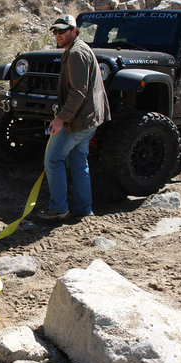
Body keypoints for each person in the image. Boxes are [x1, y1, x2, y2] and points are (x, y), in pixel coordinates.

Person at [39, 14, 110, 221]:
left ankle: (59, 208)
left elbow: (78, 92)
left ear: (74, 30)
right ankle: (83, 209)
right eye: (55, 31)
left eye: (62, 30)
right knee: (78, 161)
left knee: (53, 159)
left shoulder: (77, 53)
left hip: (78, 121)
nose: (58, 35)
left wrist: (61, 118)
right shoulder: (78, 49)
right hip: (89, 119)